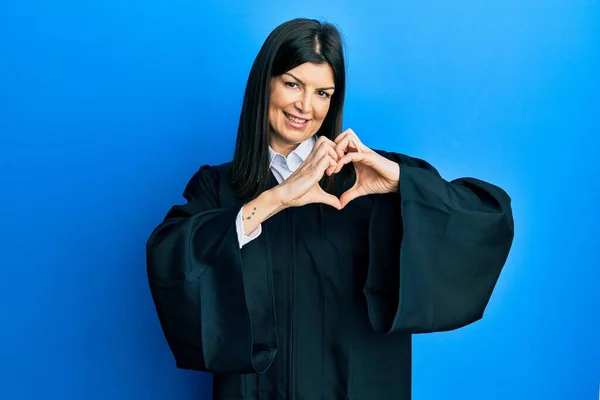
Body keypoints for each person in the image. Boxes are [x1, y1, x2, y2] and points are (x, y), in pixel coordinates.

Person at [145, 18, 514, 400]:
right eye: (292, 84)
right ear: (264, 85)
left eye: (323, 93)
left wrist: (403, 182)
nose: (306, 106)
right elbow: (172, 259)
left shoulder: (367, 178)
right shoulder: (218, 187)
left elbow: (486, 219)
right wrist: (276, 199)